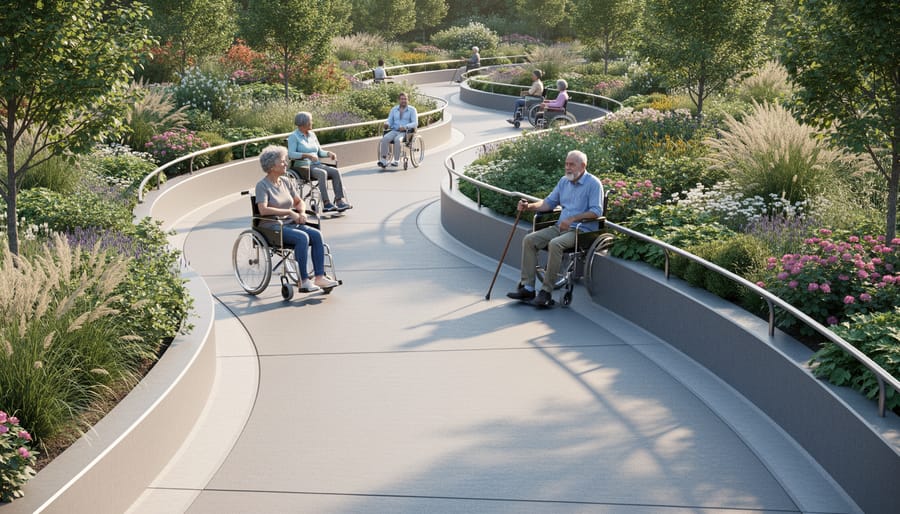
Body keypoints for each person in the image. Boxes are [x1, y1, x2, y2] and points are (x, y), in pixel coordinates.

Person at [507, 150, 604, 307]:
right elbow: (548, 203)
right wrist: (528, 207)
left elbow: (596, 211)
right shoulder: (564, 181)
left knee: (555, 244)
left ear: (583, 165)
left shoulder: (593, 184)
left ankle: (546, 292)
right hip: (560, 227)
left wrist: (573, 219)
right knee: (529, 239)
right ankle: (528, 288)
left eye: (571, 164)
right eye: (566, 164)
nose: (567, 167)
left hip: (581, 230)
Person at [254, 145, 339, 293]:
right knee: (302, 238)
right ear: (271, 166)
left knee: (316, 234)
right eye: (282, 161)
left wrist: (302, 213)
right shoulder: (262, 185)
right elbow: (263, 209)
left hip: (290, 223)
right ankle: (304, 280)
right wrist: (289, 212)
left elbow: (299, 201)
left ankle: (319, 277)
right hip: (272, 226)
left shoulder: (286, 181)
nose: (286, 163)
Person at [287, 112, 352, 212]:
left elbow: (320, 152)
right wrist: (306, 155)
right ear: (304, 123)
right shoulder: (294, 137)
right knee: (322, 173)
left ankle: (339, 201)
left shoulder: (312, 135)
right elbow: (291, 154)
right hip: (304, 167)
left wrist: (329, 153)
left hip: (317, 164)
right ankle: (326, 204)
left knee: (335, 171)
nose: (312, 122)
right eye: (310, 121)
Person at [378, 92, 418, 168]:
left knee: (397, 140)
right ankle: (383, 160)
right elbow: (390, 120)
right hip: (394, 130)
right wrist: (387, 124)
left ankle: (396, 160)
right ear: (399, 100)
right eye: (402, 99)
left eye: (405, 99)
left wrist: (405, 127)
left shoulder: (412, 110)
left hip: (406, 132)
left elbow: (415, 123)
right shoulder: (394, 109)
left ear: (408, 100)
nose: (403, 101)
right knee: (385, 138)